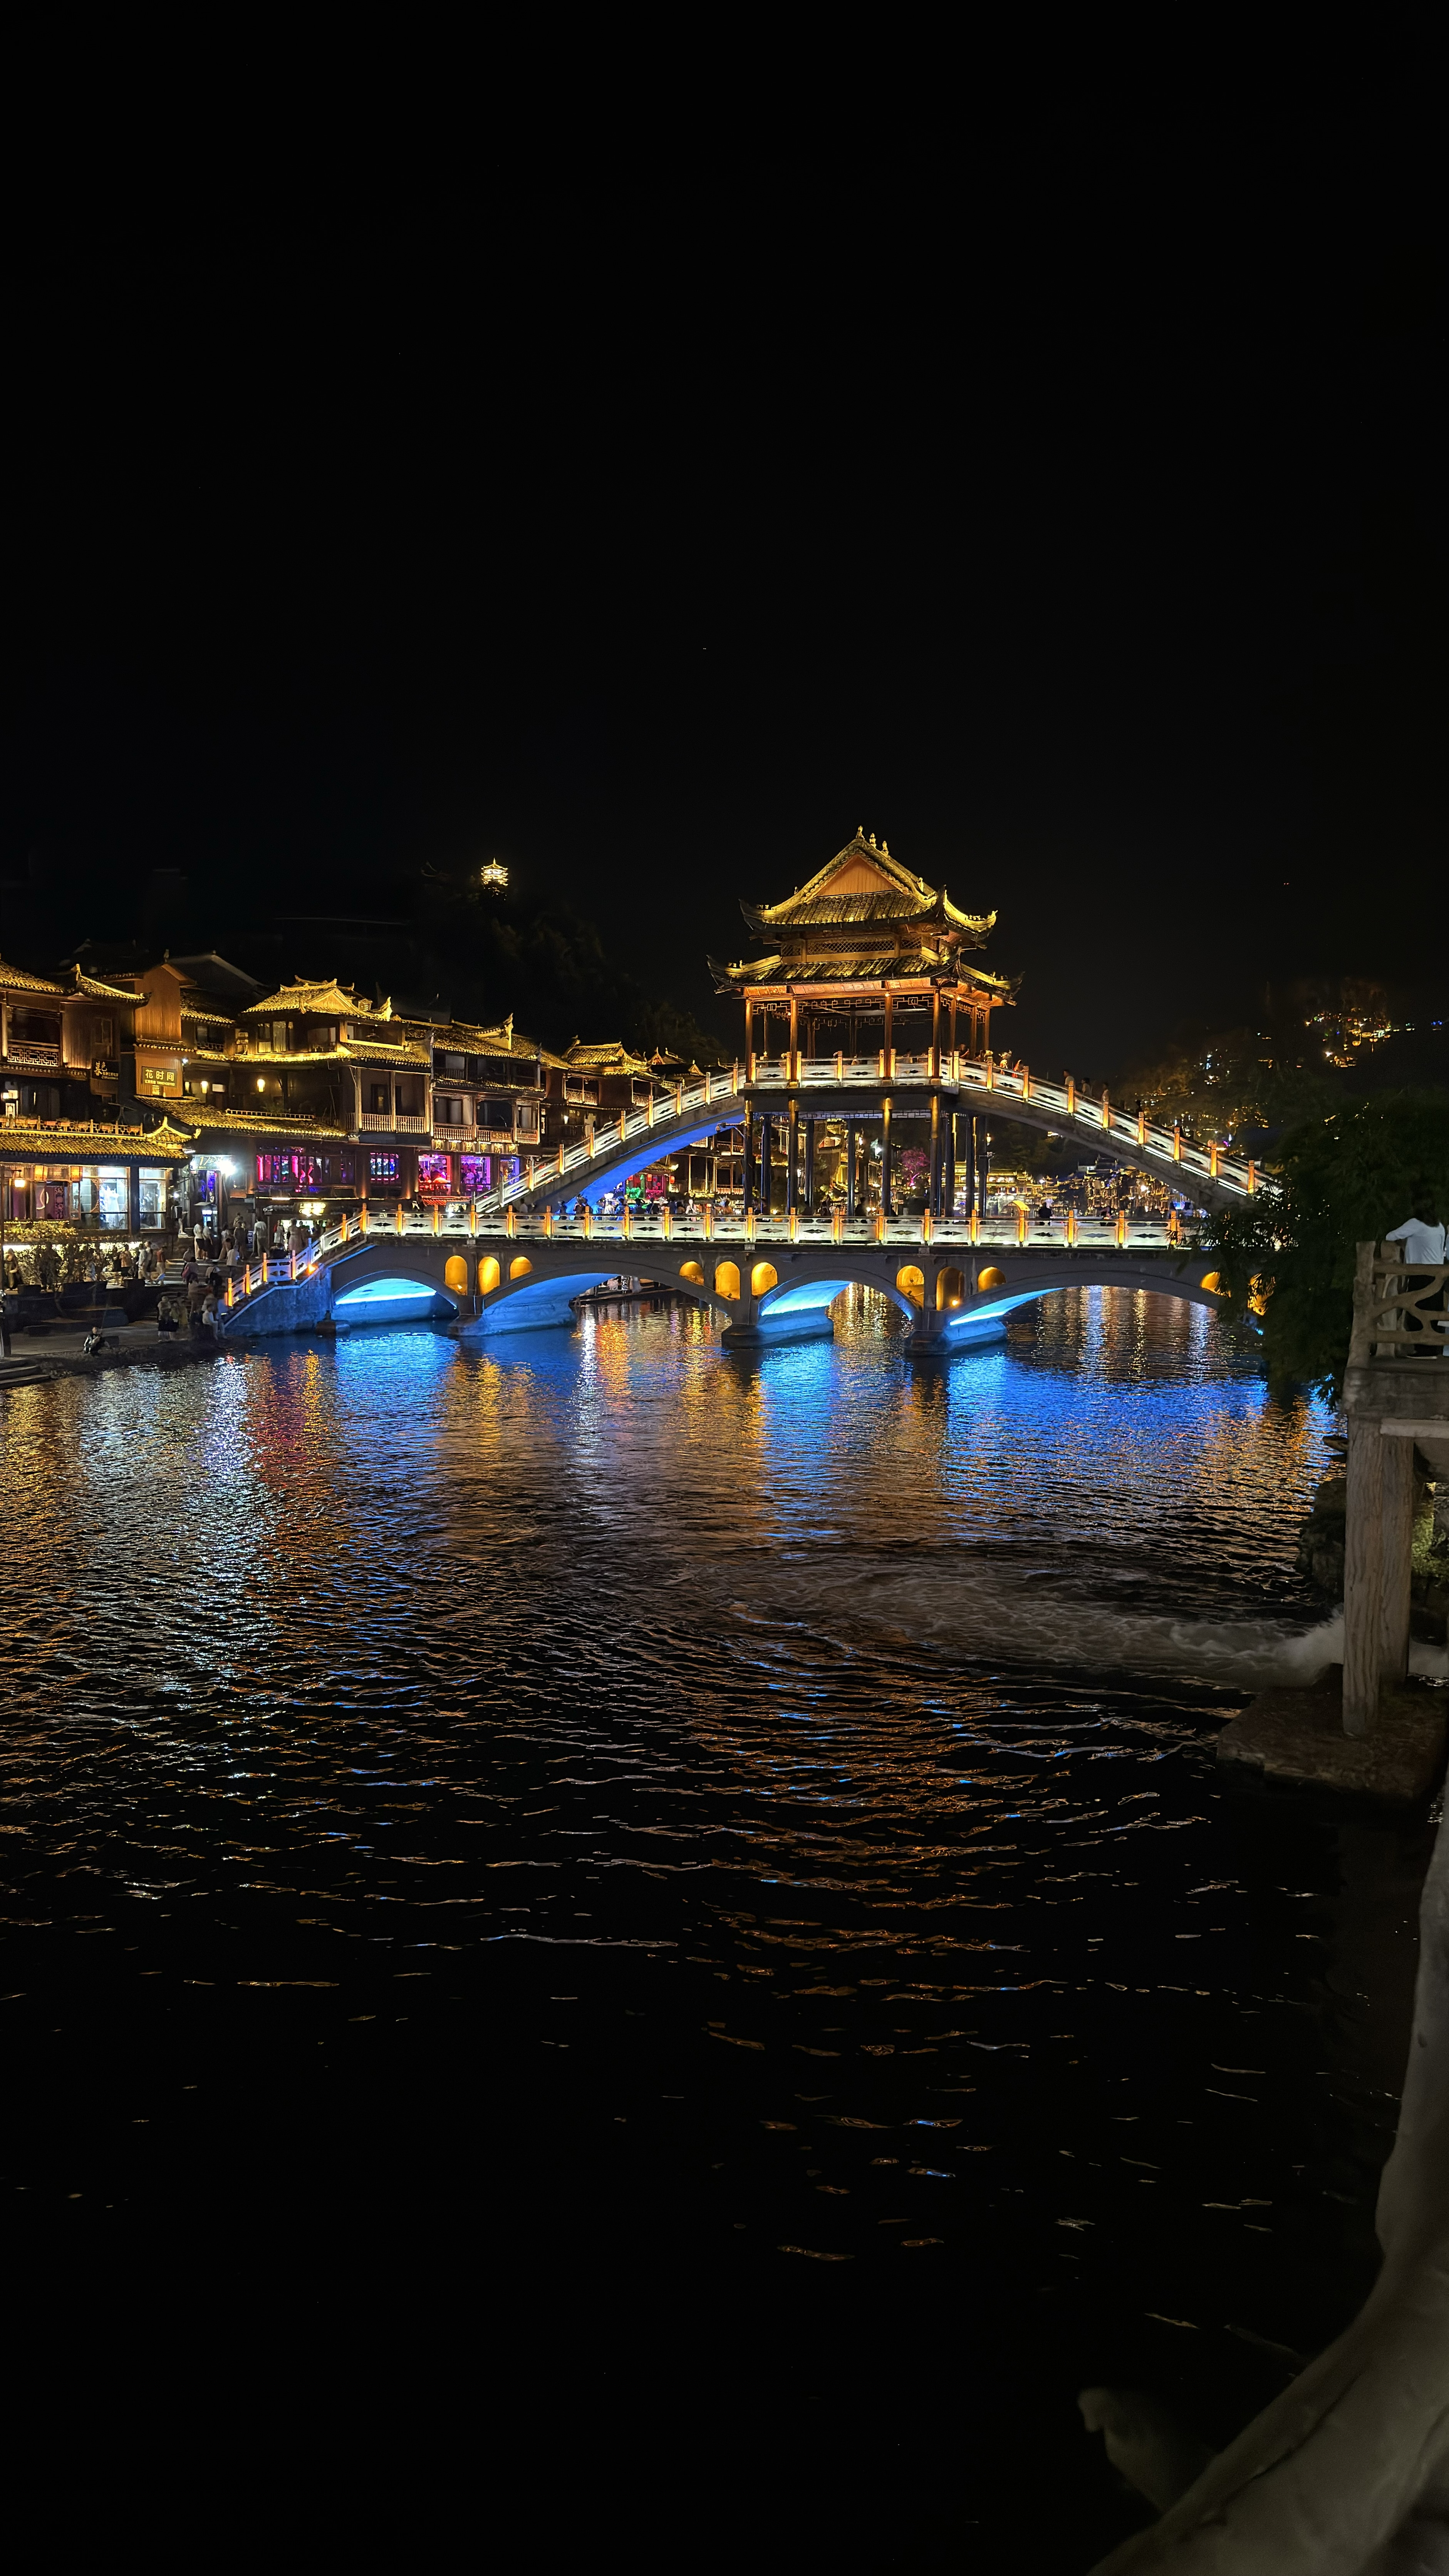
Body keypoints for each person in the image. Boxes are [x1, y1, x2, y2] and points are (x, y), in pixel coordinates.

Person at [1385, 1208, 1448, 1355]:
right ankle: (1433, 1349)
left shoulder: (1415, 1224)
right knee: (1433, 1312)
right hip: (1437, 1273)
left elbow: (1390, 1236)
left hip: (1420, 1273)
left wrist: (1404, 1242)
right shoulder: (1439, 1226)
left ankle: (1423, 1350)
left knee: (1417, 1311)